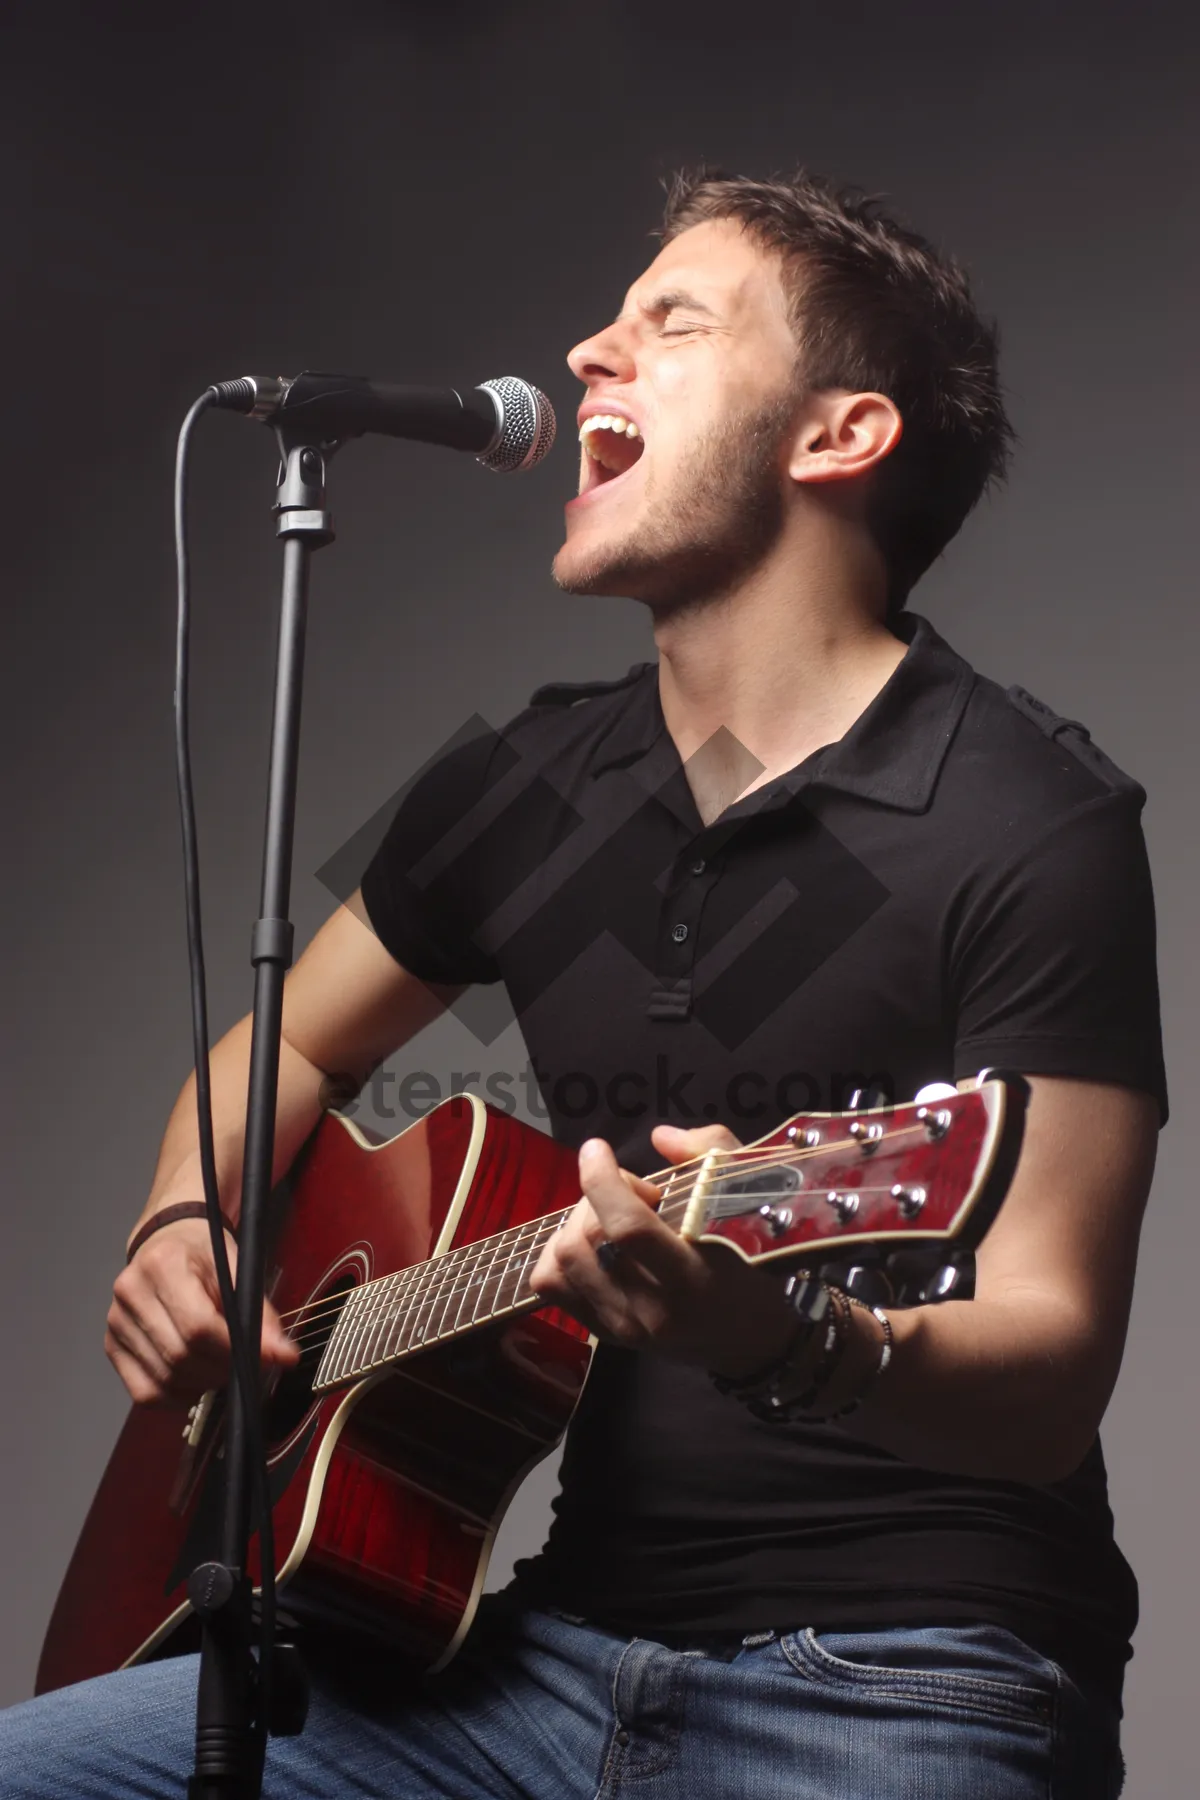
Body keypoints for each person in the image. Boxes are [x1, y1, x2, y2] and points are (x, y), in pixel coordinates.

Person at [0, 170, 1165, 1798]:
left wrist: (783, 1338)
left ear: (839, 437)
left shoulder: (1030, 819)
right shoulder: (530, 785)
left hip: (908, 1682)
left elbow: (1048, 1368)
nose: (583, 352)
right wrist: (179, 1230)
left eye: (668, 322)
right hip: (541, 1662)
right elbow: (268, 1058)